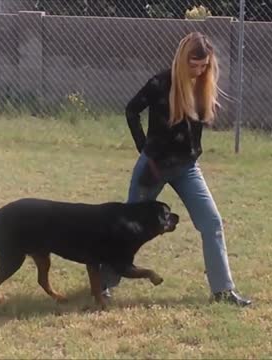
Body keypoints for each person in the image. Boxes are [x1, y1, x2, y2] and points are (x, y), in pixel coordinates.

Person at [99, 31, 252, 307]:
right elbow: (132, 110)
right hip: (154, 167)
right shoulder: (161, 82)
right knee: (128, 226)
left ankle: (222, 291)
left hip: (187, 167)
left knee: (212, 222)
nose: (198, 71)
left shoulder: (201, 85)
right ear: (182, 60)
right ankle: (103, 285)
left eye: (203, 66)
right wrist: (143, 148)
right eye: (193, 65)